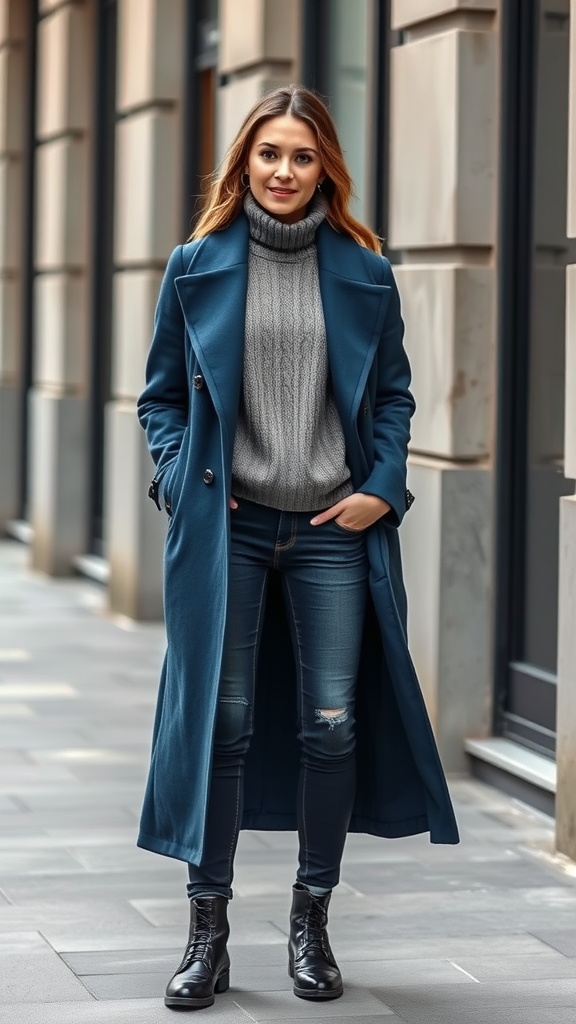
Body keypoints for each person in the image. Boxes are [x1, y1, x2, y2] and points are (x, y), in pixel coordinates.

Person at [137, 84, 459, 1011]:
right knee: (222, 723)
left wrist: (379, 490)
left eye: (303, 156)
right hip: (227, 531)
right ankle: (207, 933)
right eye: (269, 154)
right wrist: (175, 478)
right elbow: (160, 397)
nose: (284, 172)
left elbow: (394, 395)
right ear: (244, 163)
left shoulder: (364, 270)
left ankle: (312, 922)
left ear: (327, 169)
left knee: (332, 724)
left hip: (330, 532)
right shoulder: (195, 264)